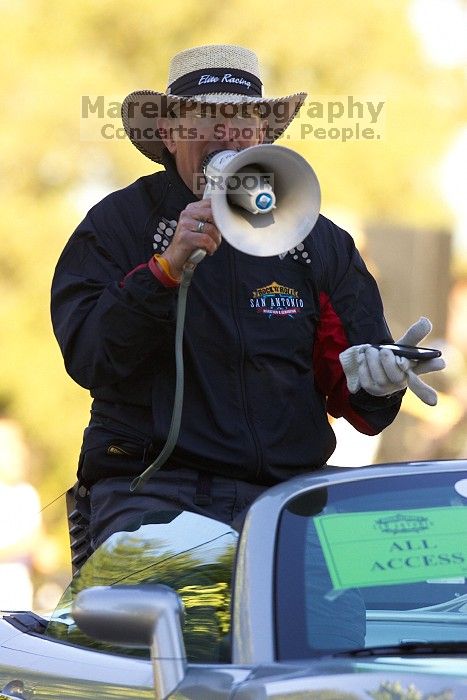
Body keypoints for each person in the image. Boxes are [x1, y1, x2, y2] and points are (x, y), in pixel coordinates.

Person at [51, 44, 445, 555]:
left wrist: (382, 381)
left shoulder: (318, 242)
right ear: (170, 133)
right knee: (192, 622)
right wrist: (164, 270)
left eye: (244, 116)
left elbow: (361, 405)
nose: (228, 132)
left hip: (290, 496)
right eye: (208, 116)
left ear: (262, 134)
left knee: (342, 628)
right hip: (153, 490)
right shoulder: (118, 225)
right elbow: (91, 358)